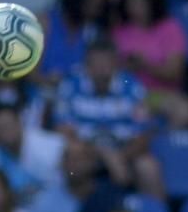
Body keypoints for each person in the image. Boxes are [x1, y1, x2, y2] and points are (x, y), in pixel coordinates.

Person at [54, 39, 164, 198]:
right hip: (86, 150)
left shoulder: (131, 85)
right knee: (72, 160)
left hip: (125, 151)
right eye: (95, 63)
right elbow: (63, 130)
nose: (101, 68)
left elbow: (144, 133)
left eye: (106, 62)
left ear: (115, 63)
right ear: (87, 65)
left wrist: (120, 157)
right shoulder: (70, 85)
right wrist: (105, 155)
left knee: (149, 167)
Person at [112, 0, 188, 126]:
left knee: (182, 110)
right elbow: (111, 72)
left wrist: (145, 65)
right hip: (124, 94)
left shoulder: (169, 28)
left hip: (156, 94)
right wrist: (127, 69)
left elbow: (175, 73)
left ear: (152, 0)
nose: (135, 3)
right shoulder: (119, 31)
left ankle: (167, 148)